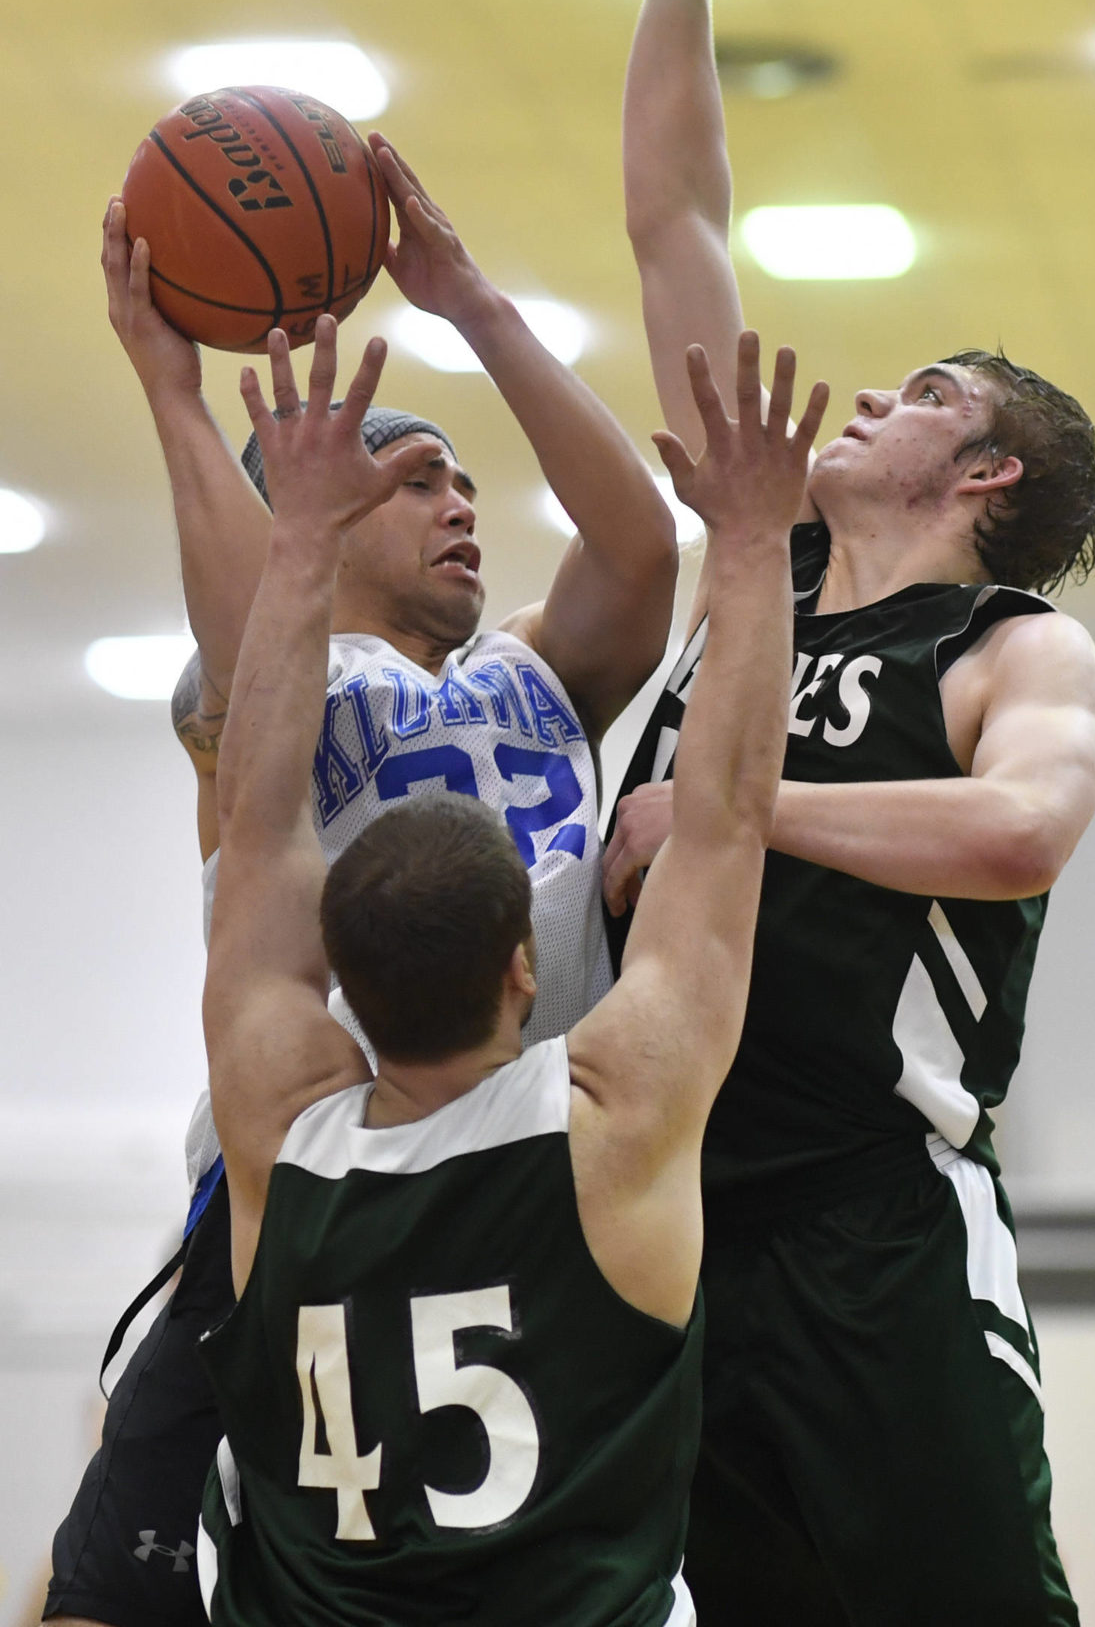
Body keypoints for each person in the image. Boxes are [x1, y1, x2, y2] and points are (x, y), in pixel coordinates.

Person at [44, 143, 680, 1627]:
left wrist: (470, 303)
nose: (462, 504)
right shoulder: (266, 688)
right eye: (416, 482)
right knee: (123, 1575)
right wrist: (171, 389)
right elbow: (246, 608)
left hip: (528, 1163)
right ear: (314, 520)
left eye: (466, 483)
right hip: (310, 1182)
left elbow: (643, 547)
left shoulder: (533, 669)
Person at [604, 0, 1095, 1624]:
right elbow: (675, 213)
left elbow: (1020, 838)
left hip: (872, 1222)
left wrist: (727, 811)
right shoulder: (753, 566)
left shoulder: (1013, 642)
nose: (878, 384)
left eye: (929, 393)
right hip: (663, 1201)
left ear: (985, 473)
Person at [195, 313, 822, 1623]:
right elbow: (727, 817)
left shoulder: (277, 1139)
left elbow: (257, 840)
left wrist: (295, 543)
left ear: (335, 990)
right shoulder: (618, 1131)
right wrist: (758, 548)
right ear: (527, 971)